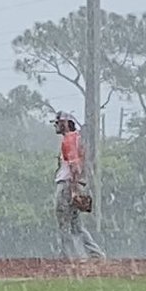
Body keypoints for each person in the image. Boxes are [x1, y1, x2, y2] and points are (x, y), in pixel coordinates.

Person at [52, 110, 105, 261]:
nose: (56, 125)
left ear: (66, 123)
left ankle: (67, 256)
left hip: (67, 184)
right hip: (75, 183)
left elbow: (74, 166)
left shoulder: (69, 139)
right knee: (76, 225)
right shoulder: (77, 139)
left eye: (58, 122)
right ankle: (95, 253)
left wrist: (74, 190)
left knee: (63, 222)